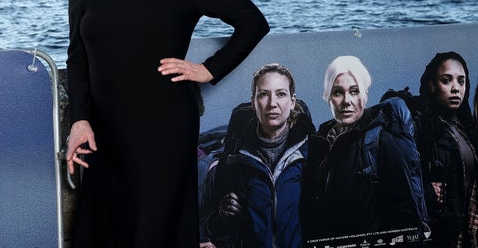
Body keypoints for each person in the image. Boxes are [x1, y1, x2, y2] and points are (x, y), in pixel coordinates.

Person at [62, 0, 269, 248]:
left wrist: (208, 69)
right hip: (103, 131)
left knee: (155, 233)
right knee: (102, 233)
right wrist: (80, 121)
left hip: (163, 126)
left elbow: (252, 22)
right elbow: (79, 57)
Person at [301, 55, 428, 244]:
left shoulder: (381, 142)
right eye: (338, 92)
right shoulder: (318, 146)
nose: (346, 101)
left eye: (354, 91)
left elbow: (407, 218)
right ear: (327, 96)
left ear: (365, 95)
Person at [200, 63, 315, 248]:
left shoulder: (313, 153)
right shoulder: (233, 160)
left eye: (281, 94)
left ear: (292, 101)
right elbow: (213, 231)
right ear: (253, 101)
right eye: (263, 94)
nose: (272, 103)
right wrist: (223, 215)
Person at [412, 51, 478, 246]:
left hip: (468, 231)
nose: (456, 88)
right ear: (432, 85)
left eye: (461, 81)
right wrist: (427, 192)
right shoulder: (421, 127)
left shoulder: (467, 128)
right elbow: (402, 182)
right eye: (447, 80)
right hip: (441, 234)